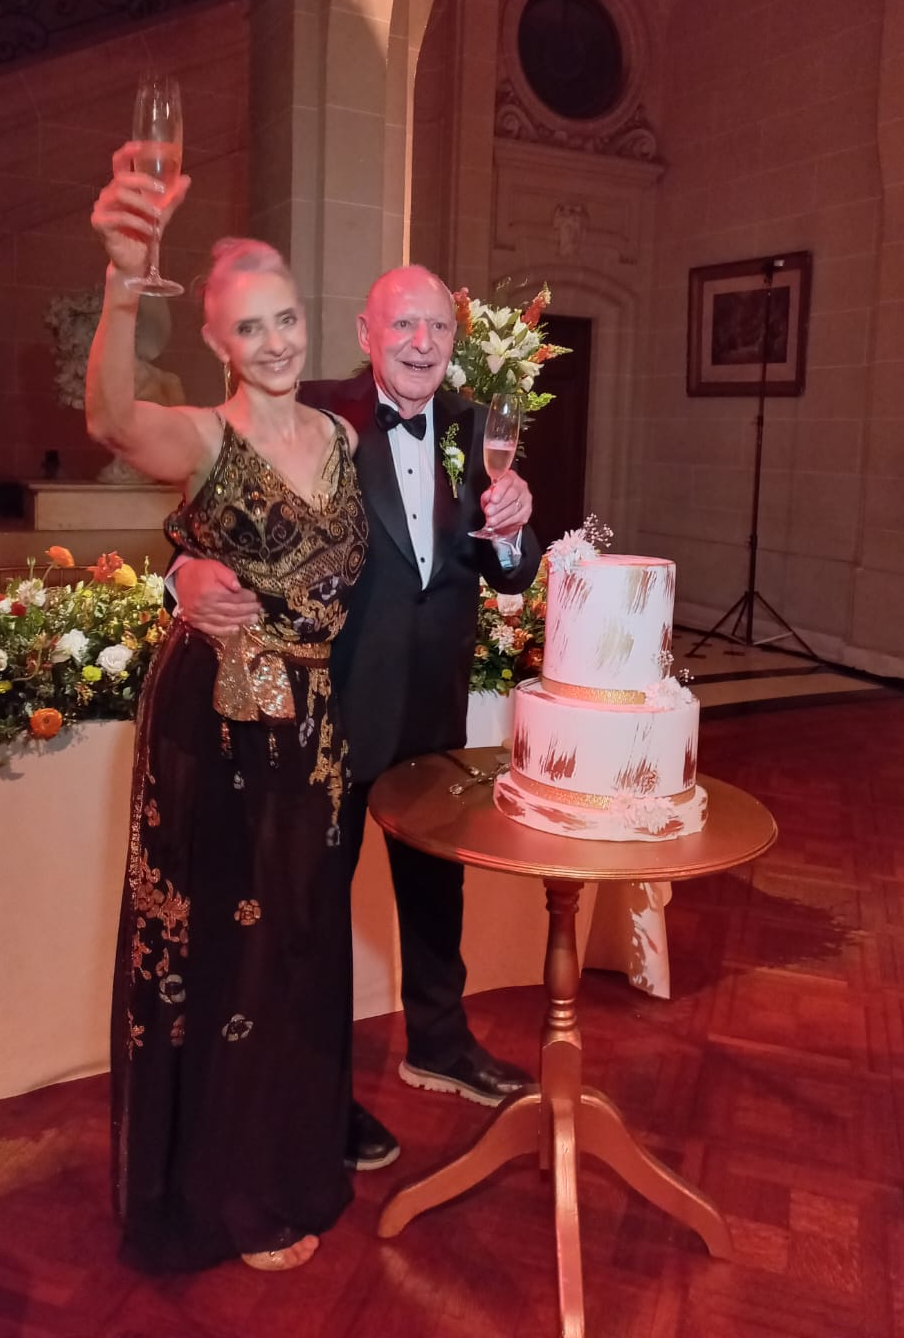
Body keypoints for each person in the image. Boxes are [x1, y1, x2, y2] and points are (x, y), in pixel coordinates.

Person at [172, 262, 541, 1171]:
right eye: (402, 328)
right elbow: (206, 515)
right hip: (324, 714)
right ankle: (315, 1094)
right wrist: (182, 577)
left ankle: (439, 1044)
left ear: (454, 342)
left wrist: (518, 529)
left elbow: (506, 573)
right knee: (311, 909)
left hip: (432, 712)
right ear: (367, 335)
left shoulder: (474, 426)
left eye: (437, 332)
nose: (422, 345)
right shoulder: (311, 412)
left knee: (433, 888)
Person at [87, 145, 368, 1273]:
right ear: (216, 342)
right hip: (216, 724)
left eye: (287, 317)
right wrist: (120, 279)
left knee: (298, 949)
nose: (277, 342)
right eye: (251, 327)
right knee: (224, 957)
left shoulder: (341, 438)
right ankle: (225, 1192)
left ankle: (292, 1159)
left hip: (314, 734)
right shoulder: (206, 439)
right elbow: (109, 417)